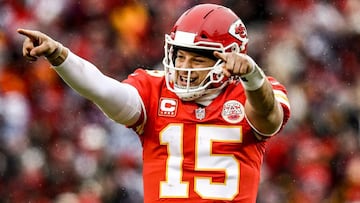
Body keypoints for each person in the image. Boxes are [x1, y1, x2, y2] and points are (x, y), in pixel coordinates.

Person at [17, 3, 290, 203]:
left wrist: (253, 77)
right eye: (180, 56)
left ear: (228, 59)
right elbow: (103, 90)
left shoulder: (255, 91)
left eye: (197, 58)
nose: (184, 67)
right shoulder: (154, 88)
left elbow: (269, 118)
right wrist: (59, 55)